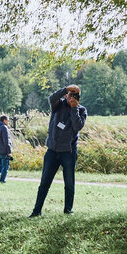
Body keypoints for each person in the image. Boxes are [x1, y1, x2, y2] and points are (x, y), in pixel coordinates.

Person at [29, 85, 86, 216]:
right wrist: (66, 89)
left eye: (75, 95)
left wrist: (74, 108)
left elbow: (77, 126)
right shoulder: (58, 105)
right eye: (70, 94)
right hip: (52, 151)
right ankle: (37, 211)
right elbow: (51, 98)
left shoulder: (81, 110)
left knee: (69, 183)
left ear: (78, 97)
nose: (71, 97)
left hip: (69, 152)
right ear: (66, 94)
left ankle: (68, 210)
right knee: (44, 183)